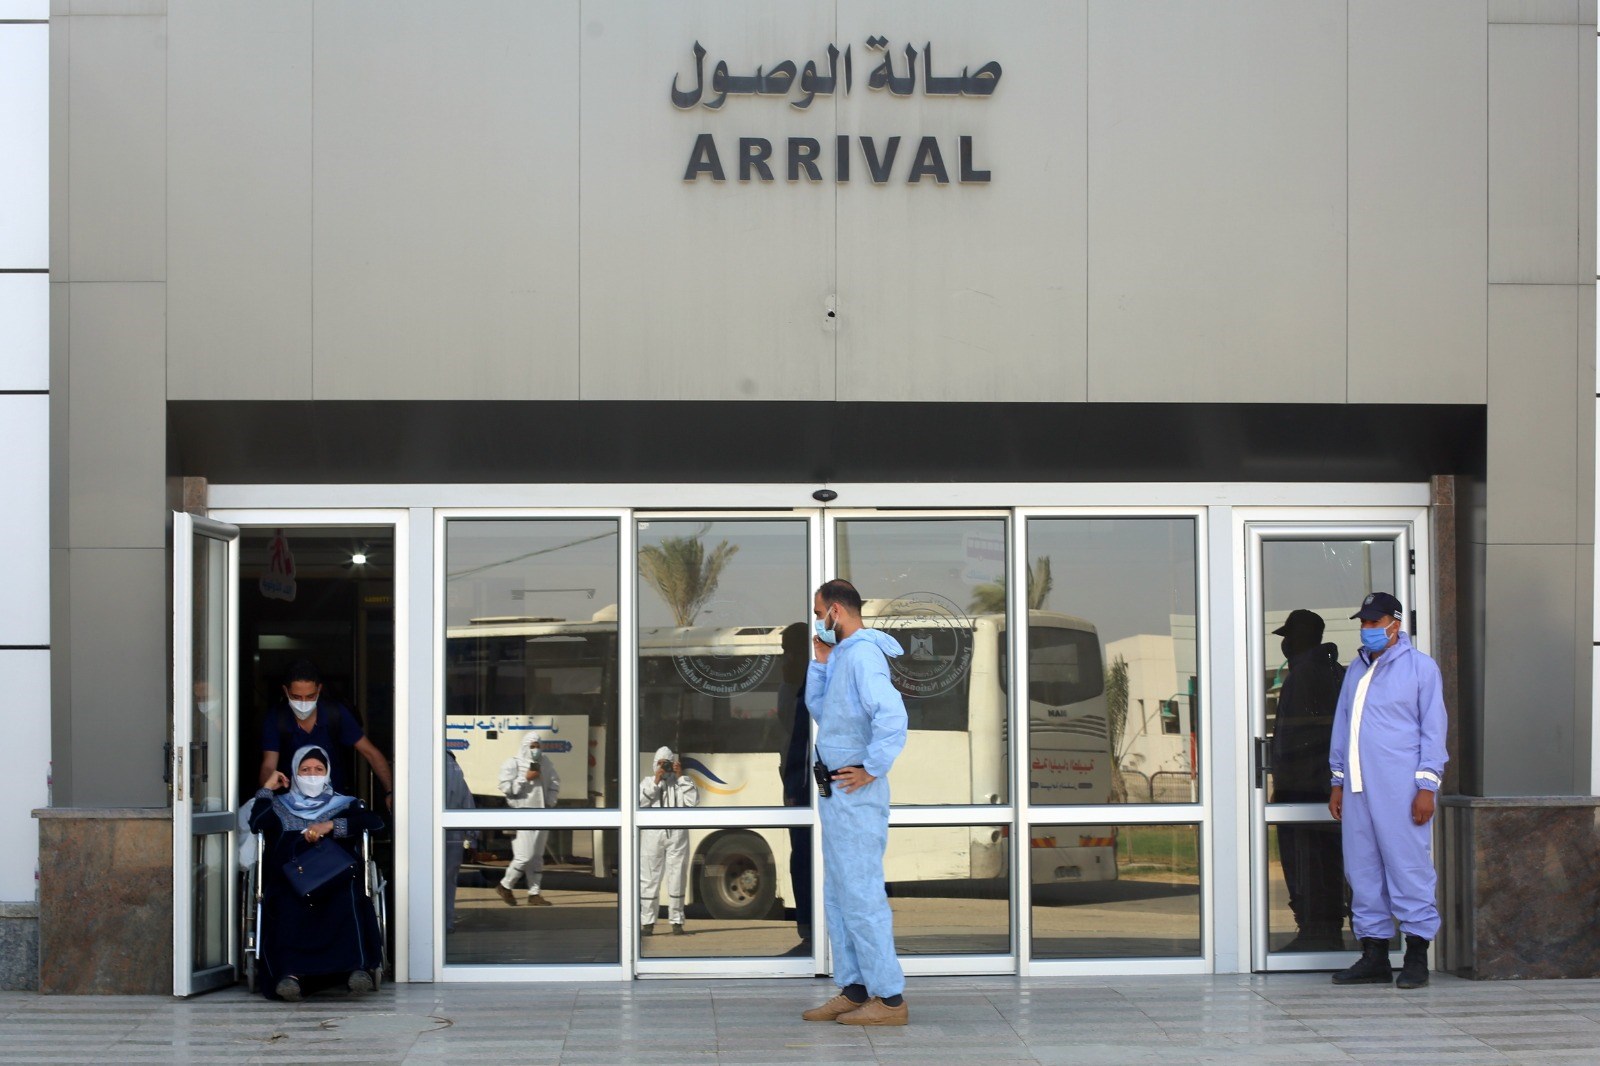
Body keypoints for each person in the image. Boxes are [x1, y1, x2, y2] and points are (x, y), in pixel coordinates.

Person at [800, 579, 910, 1027]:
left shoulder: (864, 655)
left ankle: (890, 1000)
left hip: (856, 795)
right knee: (840, 894)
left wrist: (872, 767)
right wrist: (821, 663)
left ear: (836, 611)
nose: (816, 621)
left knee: (862, 894)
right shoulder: (843, 655)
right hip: (837, 797)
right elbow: (824, 713)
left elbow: (893, 715)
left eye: (818, 613)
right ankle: (855, 988)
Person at [1328, 592, 1448, 990]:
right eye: (1363, 622)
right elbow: (1342, 726)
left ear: (1395, 624)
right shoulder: (1356, 670)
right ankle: (1374, 956)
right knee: (1362, 869)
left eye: (1374, 622)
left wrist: (1427, 786)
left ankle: (1416, 956)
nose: (1367, 629)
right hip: (1357, 789)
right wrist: (1338, 781)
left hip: (1401, 788)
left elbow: (1434, 730)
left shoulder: (1421, 668)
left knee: (1408, 866)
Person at [249, 744, 385, 1001]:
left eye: (319, 769)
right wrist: (267, 789)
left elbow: (375, 823)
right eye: (305, 769)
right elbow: (257, 823)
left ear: (328, 772)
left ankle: (356, 969)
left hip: (335, 877)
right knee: (285, 903)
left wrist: (331, 825)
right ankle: (290, 975)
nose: (312, 774)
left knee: (348, 897)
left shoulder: (345, 804)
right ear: (294, 773)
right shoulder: (279, 806)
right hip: (291, 879)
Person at [1270, 608, 1347, 951]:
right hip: (1319, 786)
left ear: (1300, 639)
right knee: (1324, 861)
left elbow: (1304, 735)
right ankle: (1322, 929)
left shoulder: (1305, 675)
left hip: (1305, 788)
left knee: (1308, 862)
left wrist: (1285, 777)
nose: (1285, 644)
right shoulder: (1333, 672)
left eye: (1288, 636)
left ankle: (1317, 932)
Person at [258, 660, 394, 810]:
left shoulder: (336, 714)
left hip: (334, 805)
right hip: (290, 807)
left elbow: (371, 753)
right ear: (285, 691)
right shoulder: (277, 719)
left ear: (319, 690)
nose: (303, 703)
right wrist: (268, 786)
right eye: (296, 697)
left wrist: (391, 791)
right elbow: (268, 765)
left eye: (310, 696)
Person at [638, 746, 699, 936]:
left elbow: (693, 802)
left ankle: (677, 922)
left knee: (677, 877)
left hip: (677, 835)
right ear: (655, 764)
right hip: (652, 836)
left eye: (668, 764)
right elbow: (639, 803)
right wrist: (656, 780)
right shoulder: (647, 782)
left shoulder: (681, 783)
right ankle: (647, 922)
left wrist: (681, 776)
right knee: (649, 878)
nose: (664, 767)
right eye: (661, 763)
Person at [496, 733, 561, 906]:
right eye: (532, 746)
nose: (536, 749)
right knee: (524, 856)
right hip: (521, 814)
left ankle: (534, 893)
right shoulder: (513, 763)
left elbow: (555, 782)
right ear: (525, 746)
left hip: (542, 814)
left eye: (538, 746)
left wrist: (550, 801)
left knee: (537, 857)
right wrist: (525, 778)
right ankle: (505, 885)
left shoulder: (545, 762)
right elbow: (506, 788)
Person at [443, 749, 475, 931]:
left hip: (430, 836)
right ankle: (446, 922)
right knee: (449, 881)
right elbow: (467, 803)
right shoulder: (455, 770)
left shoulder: (429, 764)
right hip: (453, 837)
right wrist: (472, 838)